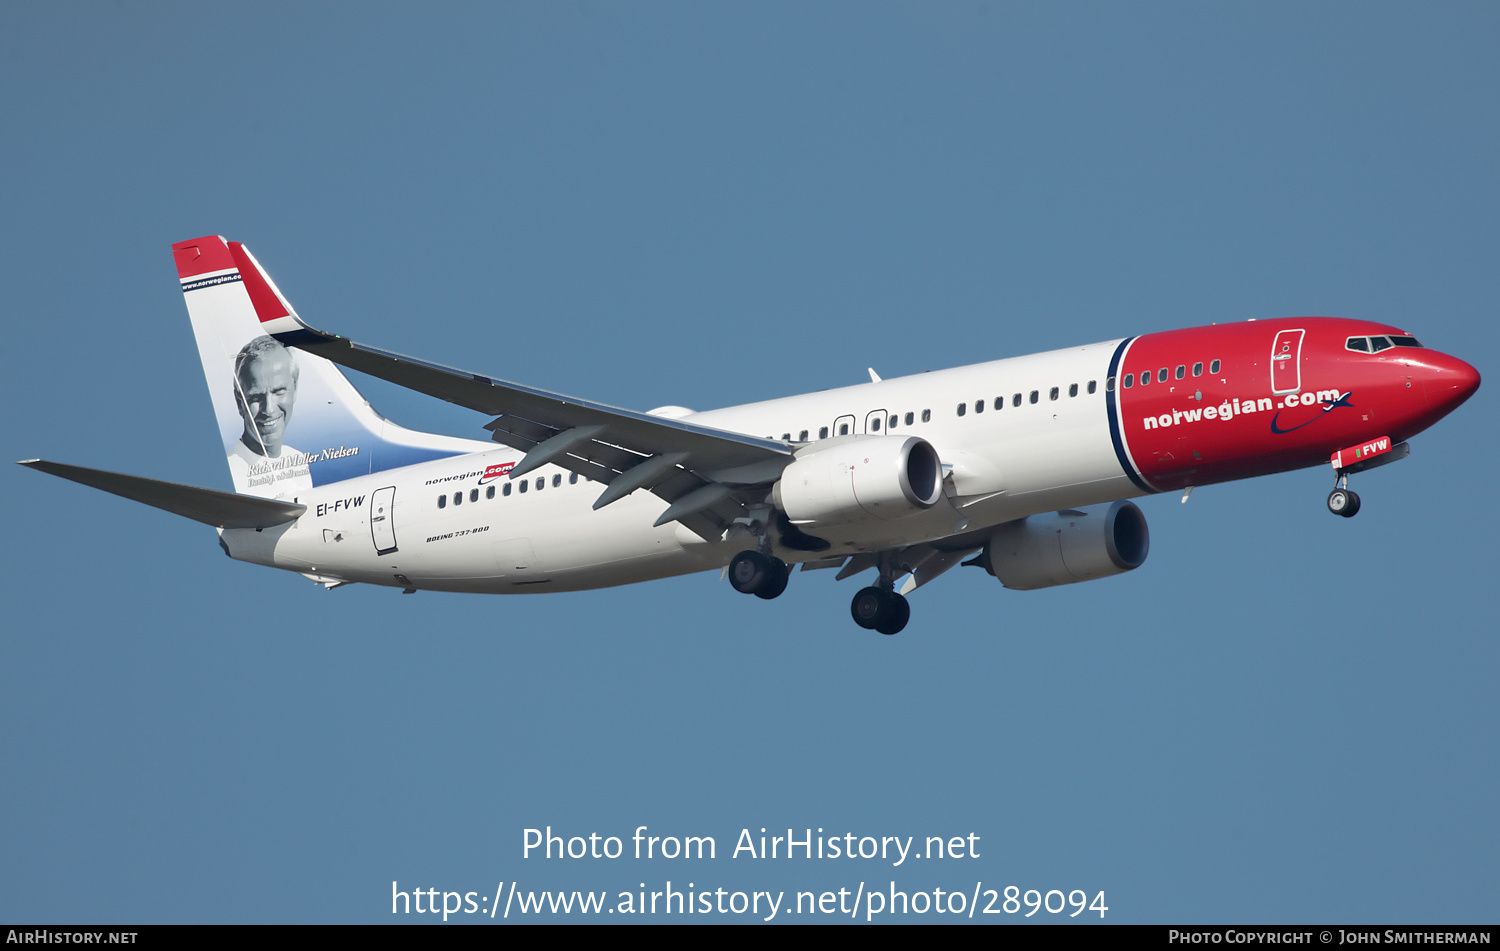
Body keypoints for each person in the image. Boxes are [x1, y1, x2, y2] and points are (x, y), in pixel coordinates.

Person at [226, 336, 313, 496]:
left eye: (278, 391)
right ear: (240, 402)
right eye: (256, 397)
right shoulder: (233, 474)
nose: (269, 409)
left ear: (295, 389)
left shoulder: (296, 460)